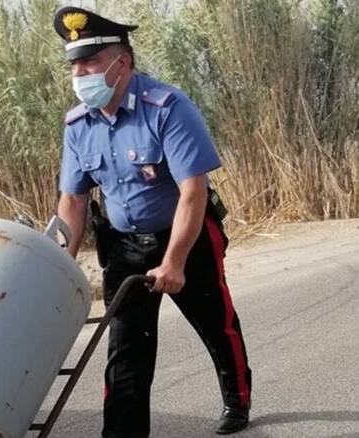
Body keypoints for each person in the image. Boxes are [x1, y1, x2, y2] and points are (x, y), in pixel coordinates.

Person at [53, 6, 252, 437]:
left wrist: (175, 260)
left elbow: (192, 192)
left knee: (215, 323)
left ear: (121, 62)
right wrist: (59, 268)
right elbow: (72, 199)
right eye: (74, 64)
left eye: (89, 62)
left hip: (187, 237)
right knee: (126, 352)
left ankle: (237, 398)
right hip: (124, 248)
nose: (79, 73)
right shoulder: (78, 125)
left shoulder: (166, 107)